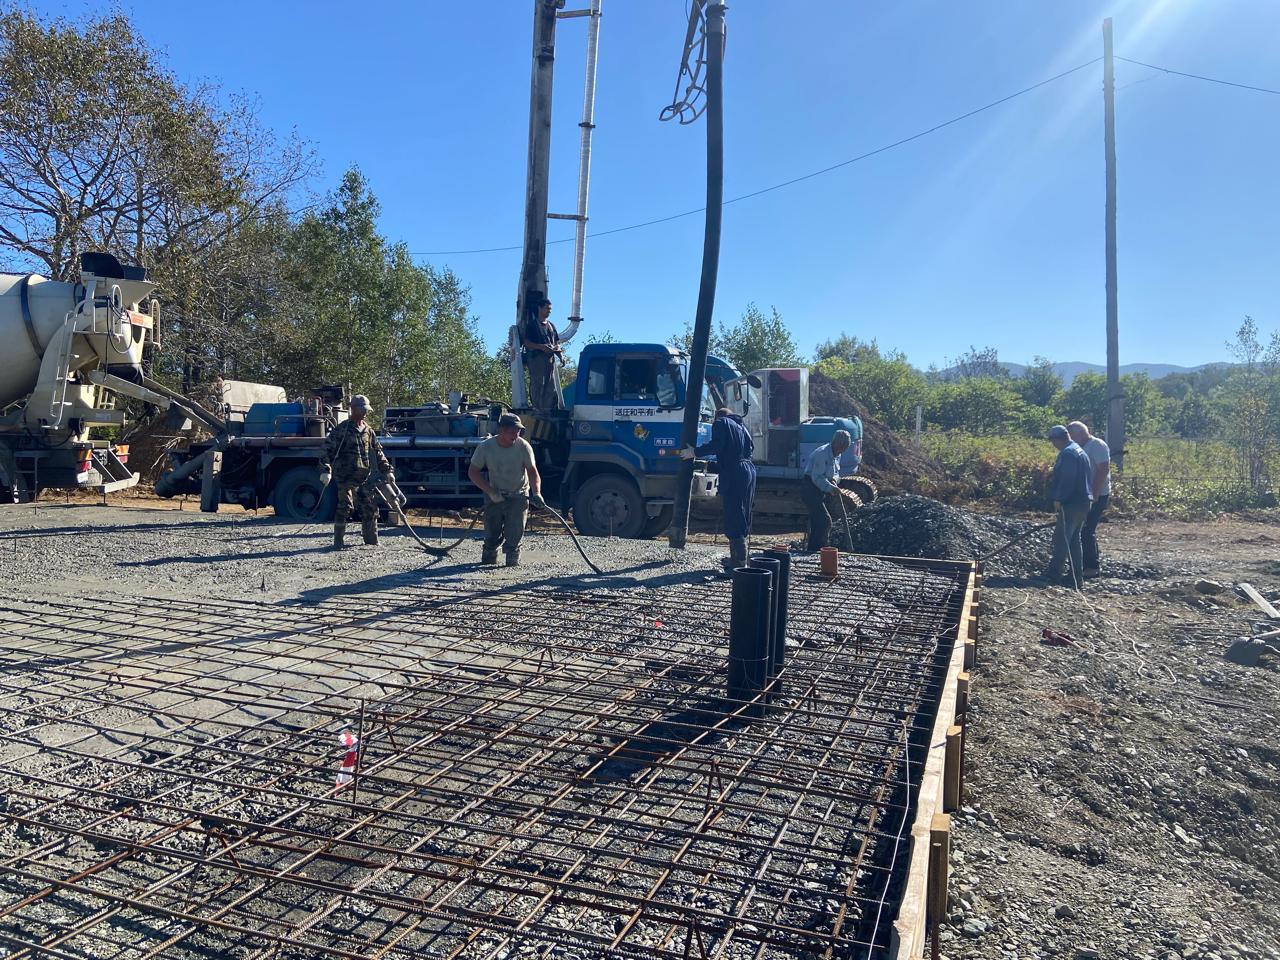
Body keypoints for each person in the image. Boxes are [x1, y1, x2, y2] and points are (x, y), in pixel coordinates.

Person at [680, 408, 757, 569]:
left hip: (735, 473)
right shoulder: (742, 427)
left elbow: (717, 445)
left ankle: (738, 564)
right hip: (749, 470)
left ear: (717, 416)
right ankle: (742, 559)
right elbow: (738, 452)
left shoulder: (721, 423)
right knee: (743, 513)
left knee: (733, 512)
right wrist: (713, 465)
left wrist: (694, 452)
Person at [467, 413, 545, 567]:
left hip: (518, 495)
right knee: (492, 530)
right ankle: (489, 554)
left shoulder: (523, 447)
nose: (515, 435)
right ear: (501, 430)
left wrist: (537, 493)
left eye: (518, 432)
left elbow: (532, 472)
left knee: (515, 531)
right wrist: (490, 491)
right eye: (512, 432)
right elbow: (473, 472)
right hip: (495, 494)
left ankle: (512, 558)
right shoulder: (486, 447)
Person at [319, 395, 393, 550]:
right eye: (362, 409)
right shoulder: (342, 429)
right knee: (345, 507)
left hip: (364, 478)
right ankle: (338, 541)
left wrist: (387, 470)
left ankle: (371, 540)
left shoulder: (368, 431)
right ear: (353, 409)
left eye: (366, 410)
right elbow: (327, 450)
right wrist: (326, 470)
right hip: (345, 476)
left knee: (370, 508)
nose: (365, 413)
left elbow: (378, 452)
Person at [1041, 424, 1094, 589]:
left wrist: (1059, 498)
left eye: (1053, 441)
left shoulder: (1068, 453)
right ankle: (1076, 577)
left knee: (1062, 538)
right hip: (1083, 501)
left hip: (1072, 502)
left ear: (1058, 439)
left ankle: (1054, 575)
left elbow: (1067, 478)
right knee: (1074, 540)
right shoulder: (1078, 449)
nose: (1053, 445)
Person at [1067, 420, 1111, 575]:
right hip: (1084, 495)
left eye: (1072, 436)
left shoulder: (1097, 445)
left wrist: (1095, 493)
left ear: (1080, 434)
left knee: (1086, 530)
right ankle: (1082, 563)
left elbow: (1103, 470)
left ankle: (1091, 567)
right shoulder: (1080, 446)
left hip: (1097, 494)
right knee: (1082, 529)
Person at [799, 429, 851, 553]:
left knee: (816, 521)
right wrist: (830, 488)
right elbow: (817, 477)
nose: (843, 450)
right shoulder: (821, 454)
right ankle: (818, 550)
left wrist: (834, 479)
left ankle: (812, 549)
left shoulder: (837, 455)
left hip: (820, 489)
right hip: (810, 488)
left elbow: (837, 473)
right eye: (843, 447)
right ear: (837, 444)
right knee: (825, 521)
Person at [522, 291, 563, 411]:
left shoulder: (551, 326)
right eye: (547, 308)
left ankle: (546, 408)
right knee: (538, 383)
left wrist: (561, 356)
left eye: (550, 309)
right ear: (539, 308)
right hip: (536, 359)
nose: (549, 311)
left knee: (550, 386)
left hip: (549, 360)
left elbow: (556, 343)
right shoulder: (532, 325)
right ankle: (537, 407)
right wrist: (541, 347)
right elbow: (527, 343)